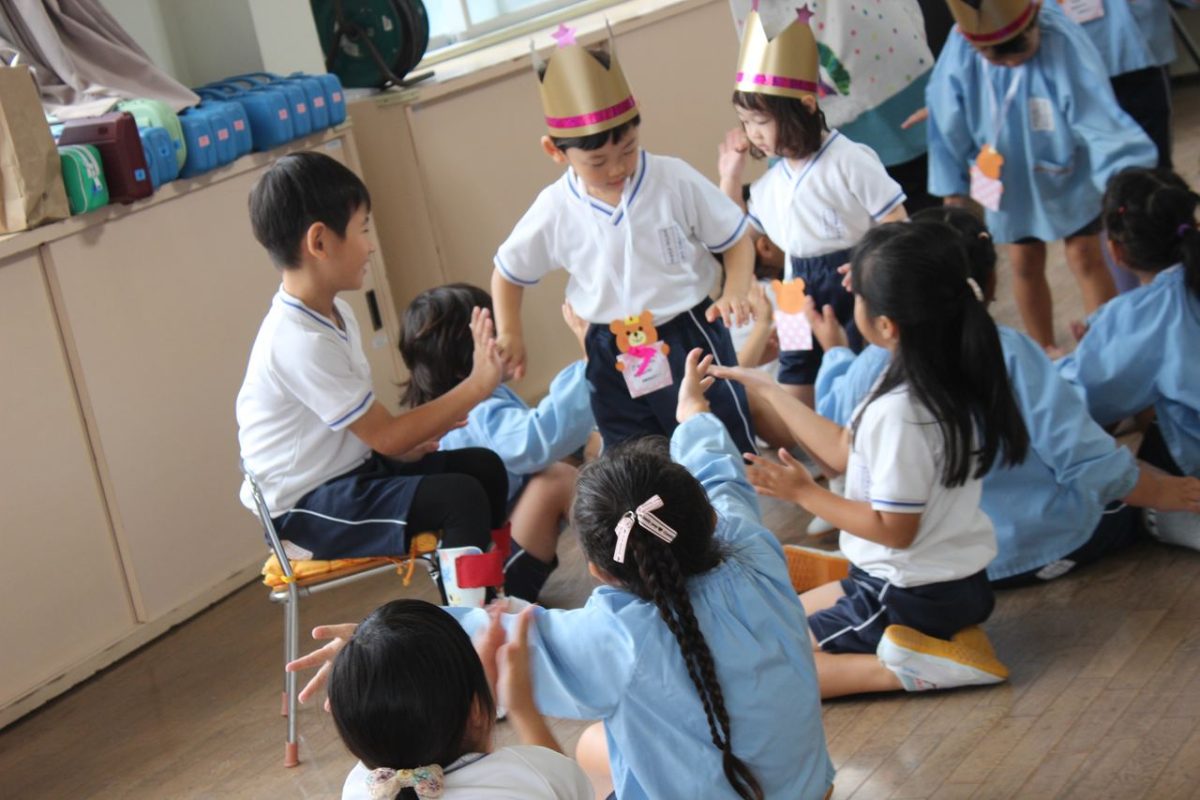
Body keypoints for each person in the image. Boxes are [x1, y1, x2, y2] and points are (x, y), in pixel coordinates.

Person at [289, 350, 835, 800]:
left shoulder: (614, 639)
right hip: (813, 789)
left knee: (595, 749)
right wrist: (693, 412)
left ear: (598, 571)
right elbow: (719, 473)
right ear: (708, 519)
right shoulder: (755, 548)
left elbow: (491, 631)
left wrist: (375, 646)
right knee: (600, 746)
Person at [713, 222, 1028, 697]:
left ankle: (918, 666)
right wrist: (770, 390)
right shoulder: (932, 370)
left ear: (886, 325)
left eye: (857, 294)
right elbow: (845, 449)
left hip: (910, 594)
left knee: (756, 671)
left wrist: (805, 493)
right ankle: (938, 637)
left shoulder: (904, 411)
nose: (850, 299)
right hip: (931, 582)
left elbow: (895, 529)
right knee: (765, 629)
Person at [814, 207, 1200, 584]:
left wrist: (835, 353)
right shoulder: (1008, 350)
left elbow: (830, 431)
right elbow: (1083, 458)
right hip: (1044, 547)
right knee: (1127, 494)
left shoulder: (869, 367)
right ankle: (1164, 518)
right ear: (987, 281)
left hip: (949, 569)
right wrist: (1165, 491)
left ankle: (855, 574)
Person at [236, 152, 511, 599]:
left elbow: (373, 436)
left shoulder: (337, 313)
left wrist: (404, 448)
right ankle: (473, 623)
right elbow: (387, 436)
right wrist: (478, 384)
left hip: (349, 476)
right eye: (362, 229)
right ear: (319, 242)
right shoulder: (298, 341)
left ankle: (494, 597)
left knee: (485, 468)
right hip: (305, 512)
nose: (370, 245)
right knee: (460, 497)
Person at [492, 24, 757, 455]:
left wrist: (736, 290)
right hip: (610, 348)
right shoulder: (555, 208)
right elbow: (508, 273)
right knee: (635, 455)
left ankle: (737, 499)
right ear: (555, 151)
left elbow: (735, 237)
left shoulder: (672, 179)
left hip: (687, 332)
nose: (616, 168)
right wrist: (510, 332)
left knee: (721, 441)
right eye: (597, 161)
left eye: (628, 149)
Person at [926, 0, 1156, 352]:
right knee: (1024, 261)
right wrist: (953, 189)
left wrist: (1122, 180)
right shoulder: (960, 45)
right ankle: (1044, 351)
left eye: (1019, 51)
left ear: (1034, 19)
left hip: (1069, 167)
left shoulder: (1060, 37)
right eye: (994, 57)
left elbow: (1097, 115)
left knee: (1085, 255)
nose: (1010, 63)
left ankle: (1109, 348)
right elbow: (945, 117)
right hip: (1008, 177)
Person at [719, 7, 907, 408]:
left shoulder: (850, 159)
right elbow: (737, 233)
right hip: (793, 288)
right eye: (745, 122)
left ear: (805, 106)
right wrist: (730, 179)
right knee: (796, 367)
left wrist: (870, 263)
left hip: (849, 277)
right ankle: (805, 441)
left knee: (863, 366)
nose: (753, 134)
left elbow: (895, 217)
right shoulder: (771, 182)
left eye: (761, 121)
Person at [398, 284, 597, 601]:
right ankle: (620, 564)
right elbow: (538, 440)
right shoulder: (476, 412)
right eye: (496, 336)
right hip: (491, 581)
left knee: (570, 456)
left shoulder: (447, 405)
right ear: (466, 358)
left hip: (484, 560)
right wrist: (589, 362)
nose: (508, 342)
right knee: (558, 478)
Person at [1059, 167, 1200, 549]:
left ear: (1116, 251)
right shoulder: (1136, 315)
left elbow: (1081, 400)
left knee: (1131, 484)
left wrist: (1066, 361)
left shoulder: (1136, 318)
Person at [329, 599, 594, 799]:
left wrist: (472, 696)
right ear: (476, 709)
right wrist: (522, 708)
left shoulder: (357, 788)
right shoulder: (535, 775)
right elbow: (562, 781)